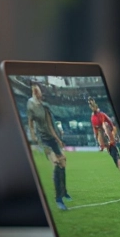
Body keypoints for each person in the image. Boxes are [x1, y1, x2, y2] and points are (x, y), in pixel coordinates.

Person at [27, 83, 70, 211]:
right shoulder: (30, 106)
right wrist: (34, 137)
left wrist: (58, 140)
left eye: (39, 91)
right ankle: (59, 199)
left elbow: (51, 127)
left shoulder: (45, 107)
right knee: (56, 163)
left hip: (51, 139)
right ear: (35, 92)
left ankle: (64, 191)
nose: (40, 93)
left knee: (63, 163)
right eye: (37, 91)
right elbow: (30, 124)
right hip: (42, 140)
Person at [89, 98, 120, 200]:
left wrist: (113, 137)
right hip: (109, 148)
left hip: (113, 145)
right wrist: (101, 145)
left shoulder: (102, 115)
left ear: (95, 104)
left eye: (92, 103)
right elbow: (96, 132)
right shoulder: (93, 118)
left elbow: (113, 127)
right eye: (89, 104)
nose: (91, 105)